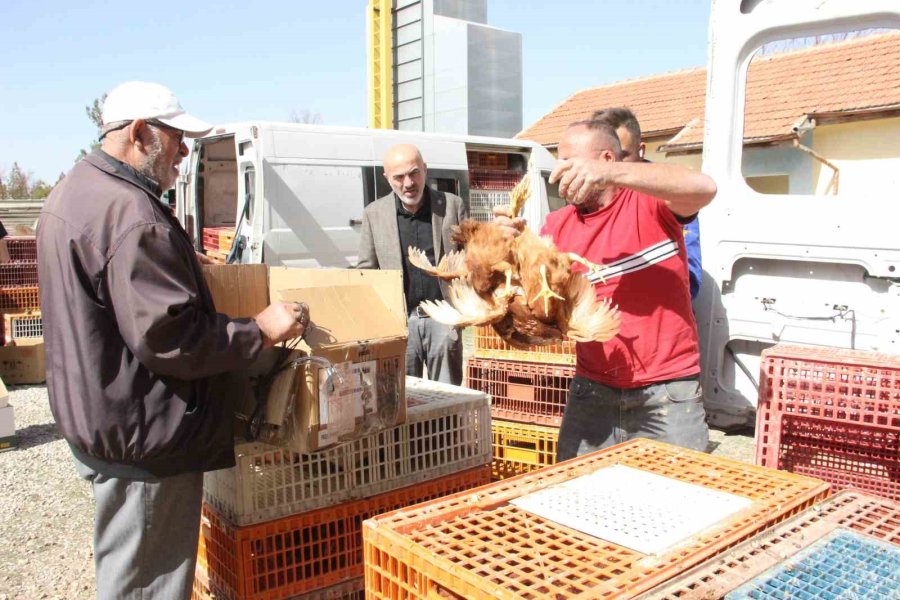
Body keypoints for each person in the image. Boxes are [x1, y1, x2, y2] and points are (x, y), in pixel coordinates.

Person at [37, 81, 306, 600]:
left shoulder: (76, 191)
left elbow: (111, 293)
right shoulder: (132, 216)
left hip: (101, 419)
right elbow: (174, 339)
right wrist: (262, 329)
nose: (184, 153)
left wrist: (181, 265)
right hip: (144, 439)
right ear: (139, 133)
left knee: (129, 568)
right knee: (146, 585)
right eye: (177, 138)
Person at [496, 119, 716, 460]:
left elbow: (704, 188)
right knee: (572, 493)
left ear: (607, 160)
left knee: (678, 499)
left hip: (666, 391)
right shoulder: (558, 224)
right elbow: (536, 306)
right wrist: (509, 249)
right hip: (592, 389)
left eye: (570, 163)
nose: (559, 174)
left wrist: (612, 175)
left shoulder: (650, 204)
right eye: (559, 163)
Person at [357, 144, 466, 385]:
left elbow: (471, 259)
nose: (408, 183)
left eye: (414, 173)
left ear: (425, 170)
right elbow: (366, 271)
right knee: (402, 401)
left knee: (447, 401)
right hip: (399, 323)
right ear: (387, 178)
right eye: (399, 177)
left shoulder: (451, 206)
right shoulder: (373, 214)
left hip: (444, 320)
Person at [593, 107, 703, 299]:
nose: (611, 166)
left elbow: (690, 278)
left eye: (623, 155)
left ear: (641, 151)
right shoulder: (589, 200)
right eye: (604, 158)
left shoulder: (668, 196)